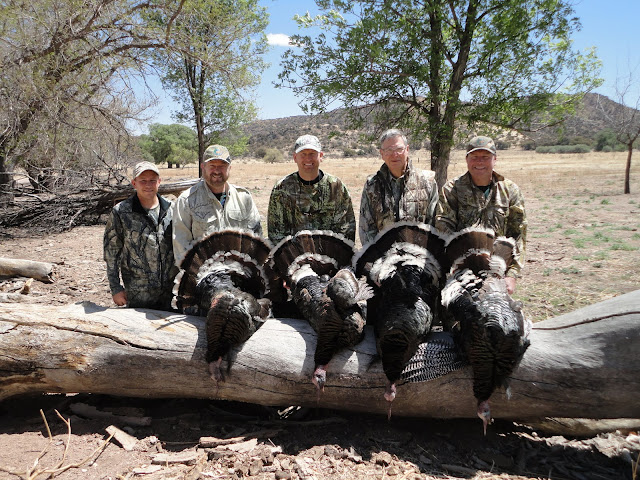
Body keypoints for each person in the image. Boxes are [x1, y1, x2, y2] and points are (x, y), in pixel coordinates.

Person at [435, 135, 527, 294]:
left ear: (495, 159)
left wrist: (511, 275)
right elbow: (443, 227)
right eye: (474, 157)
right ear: (467, 159)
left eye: (485, 157)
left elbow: (518, 235)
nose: (479, 162)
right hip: (461, 272)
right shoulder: (452, 189)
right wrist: (458, 267)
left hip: (498, 270)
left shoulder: (510, 190)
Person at [103, 161, 178, 310]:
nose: (148, 185)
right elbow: (111, 253)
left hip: (171, 292)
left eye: (152, 180)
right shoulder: (121, 212)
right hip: (138, 293)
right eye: (143, 181)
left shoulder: (173, 209)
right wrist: (116, 288)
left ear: (159, 182)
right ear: (134, 183)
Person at [172, 144, 262, 266]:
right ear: (203, 167)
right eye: (212, 166)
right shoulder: (186, 200)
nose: (217, 171)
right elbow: (181, 247)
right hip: (204, 277)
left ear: (230, 168)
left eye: (222, 166)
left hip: (240, 273)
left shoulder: (244, 197)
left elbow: (256, 238)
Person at [267, 134, 356, 244]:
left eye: (312, 154)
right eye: (303, 154)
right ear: (295, 157)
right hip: (292, 257)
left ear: (321, 156)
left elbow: (346, 229)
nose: (308, 158)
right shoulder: (281, 188)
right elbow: (276, 233)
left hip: (330, 257)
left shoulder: (336, 187)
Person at [359, 129, 439, 245]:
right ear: (382, 154)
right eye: (389, 150)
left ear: (407, 150)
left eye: (399, 149)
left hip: (419, 257)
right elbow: (366, 229)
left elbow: (433, 226)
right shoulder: (372, 185)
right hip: (383, 258)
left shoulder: (428, 182)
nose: (394, 154)